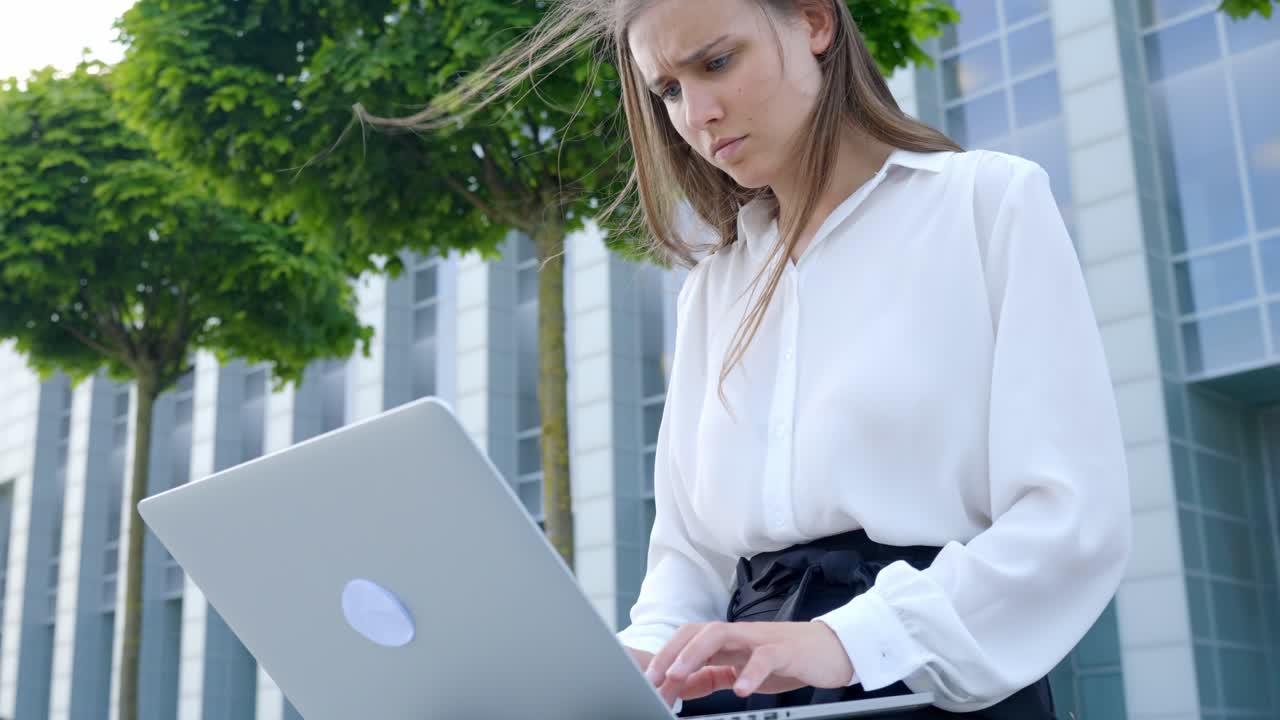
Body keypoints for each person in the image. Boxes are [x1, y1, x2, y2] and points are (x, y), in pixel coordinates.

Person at [386, 0, 1132, 716]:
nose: (695, 115)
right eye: (669, 90)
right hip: (748, 690)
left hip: (924, 683)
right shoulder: (714, 289)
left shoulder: (987, 204)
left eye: (716, 61)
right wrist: (639, 663)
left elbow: (1071, 519)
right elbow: (688, 563)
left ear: (813, 21)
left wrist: (845, 640)